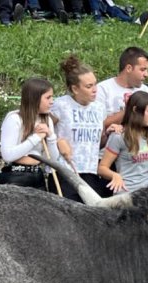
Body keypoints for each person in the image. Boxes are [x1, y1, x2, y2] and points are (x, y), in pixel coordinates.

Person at [50, 55, 111, 201]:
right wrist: (57, 141)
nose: (95, 90)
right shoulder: (60, 105)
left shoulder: (99, 108)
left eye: (95, 84)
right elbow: (45, 130)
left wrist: (108, 134)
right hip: (66, 171)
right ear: (75, 89)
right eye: (89, 86)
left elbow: (98, 142)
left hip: (90, 170)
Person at [0, 77, 60, 190]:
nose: (52, 101)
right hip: (15, 176)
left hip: (38, 175)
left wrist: (51, 136)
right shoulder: (14, 119)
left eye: (52, 97)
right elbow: (7, 155)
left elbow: (52, 160)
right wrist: (36, 137)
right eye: (48, 97)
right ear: (34, 98)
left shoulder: (47, 120)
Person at [98, 91, 148, 194]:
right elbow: (102, 168)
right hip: (127, 193)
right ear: (135, 110)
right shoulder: (119, 136)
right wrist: (115, 175)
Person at [96, 47, 148, 131]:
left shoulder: (145, 91)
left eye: (147, 70)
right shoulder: (102, 90)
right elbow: (97, 125)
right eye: (142, 69)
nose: (146, 74)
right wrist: (128, 111)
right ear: (129, 68)